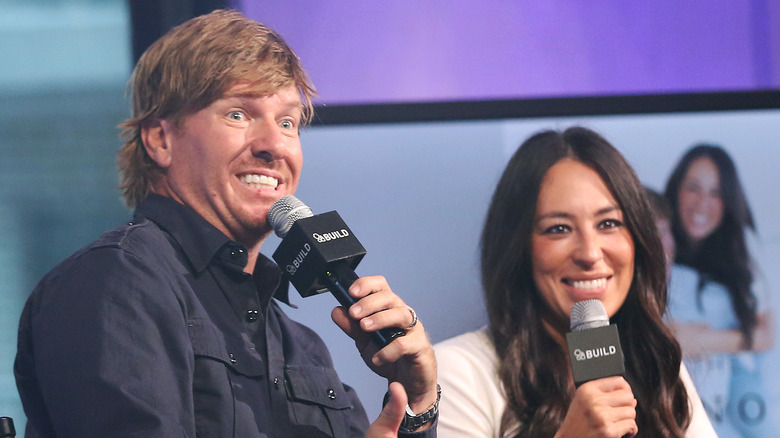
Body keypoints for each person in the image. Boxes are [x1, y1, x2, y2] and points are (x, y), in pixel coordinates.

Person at [14, 9, 438, 438]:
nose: (274, 145)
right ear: (161, 139)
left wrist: (417, 403)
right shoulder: (114, 283)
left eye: (288, 122)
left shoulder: (301, 345)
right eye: (238, 114)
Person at [434, 127, 716, 437]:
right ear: (518, 248)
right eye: (559, 229)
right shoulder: (459, 372)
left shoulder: (656, 368)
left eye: (608, 224)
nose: (590, 253)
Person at [664, 144, 775, 436]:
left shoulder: (741, 251)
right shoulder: (657, 245)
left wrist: (700, 340)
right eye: (694, 188)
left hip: (726, 407)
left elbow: (765, 334)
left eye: (716, 193)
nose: (703, 203)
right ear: (676, 189)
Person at [647, 186, 740, 436]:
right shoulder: (610, 303)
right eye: (650, 233)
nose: (662, 244)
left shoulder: (709, 293)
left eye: (665, 231)